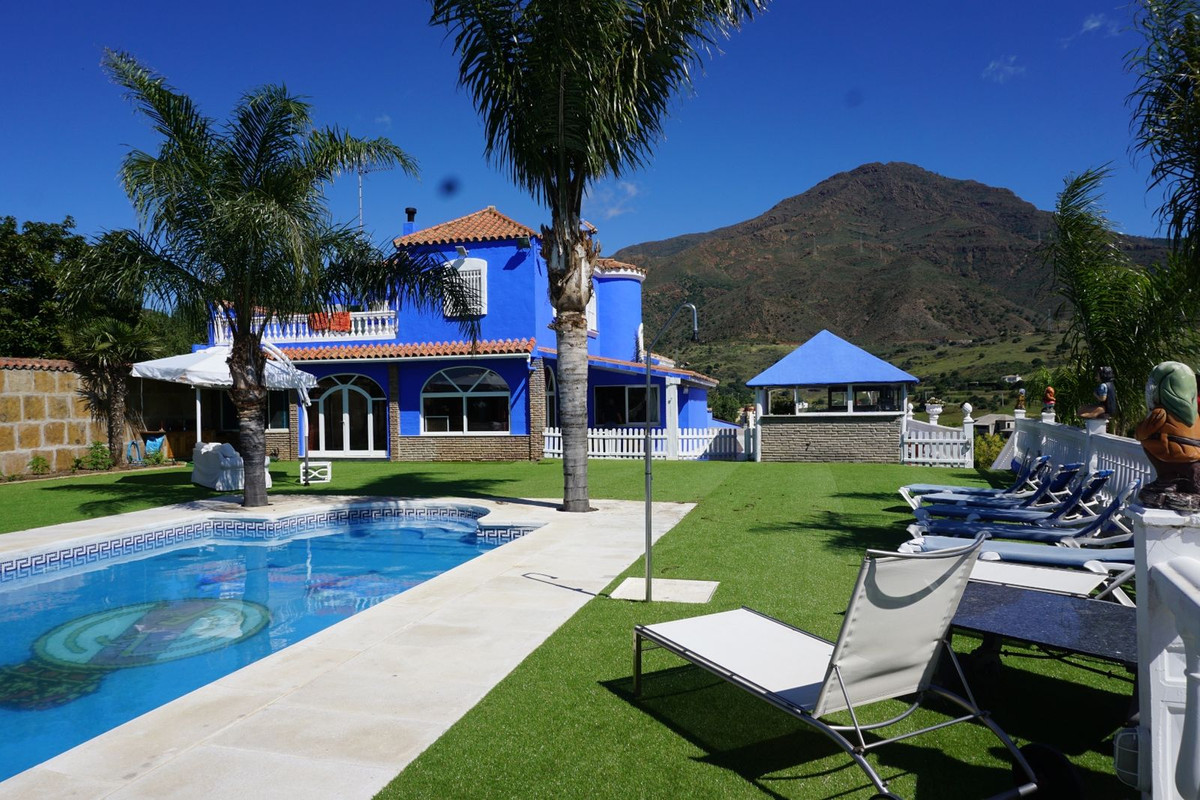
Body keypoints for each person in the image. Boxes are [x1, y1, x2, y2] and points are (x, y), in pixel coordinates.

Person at [1137, 361, 1200, 509]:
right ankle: (1173, 481)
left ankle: (1166, 479)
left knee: (1148, 442)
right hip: (1194, 458)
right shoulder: (1195, 416)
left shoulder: (1160, 413)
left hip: (1171, 455)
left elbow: (1141, 433)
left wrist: (1140, 428)